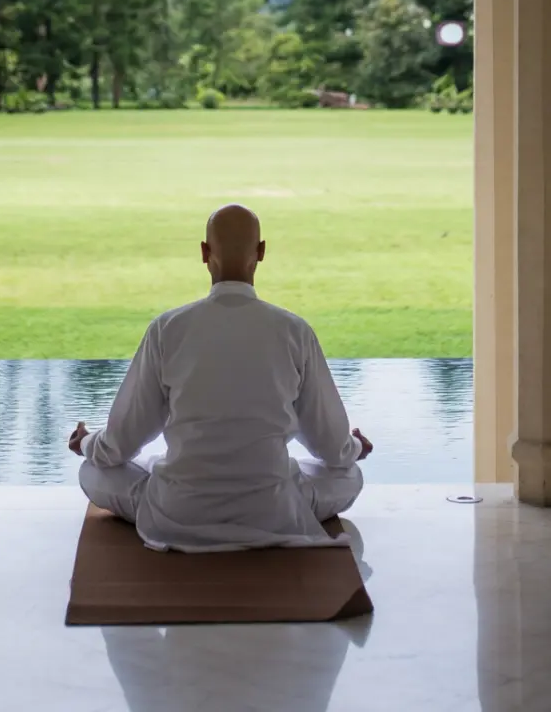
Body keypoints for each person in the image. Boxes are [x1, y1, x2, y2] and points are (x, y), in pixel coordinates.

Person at [69, 204, 372, 553]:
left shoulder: (167, 329)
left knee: (93, 472)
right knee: (349, 476)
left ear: (203, 253)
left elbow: (119, 444)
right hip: (272, 509)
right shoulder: (294, 331)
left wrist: (87, 444)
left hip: (178, 510)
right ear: (260, 252)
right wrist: (354, 449)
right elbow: (332, 449)